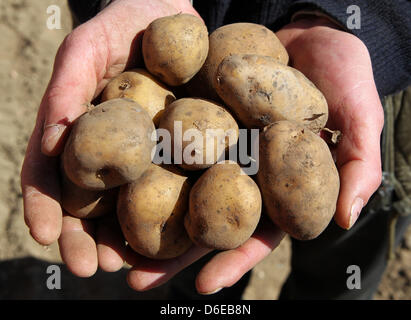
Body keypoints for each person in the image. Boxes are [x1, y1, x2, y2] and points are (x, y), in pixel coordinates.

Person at [20, 0, 410, 299]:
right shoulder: (179, 114)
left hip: (372, 85)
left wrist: (361, 22)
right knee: (198, 281)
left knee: (340, 271)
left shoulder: (282, 115)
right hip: (189, 54)